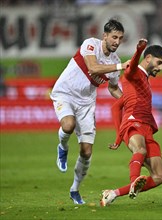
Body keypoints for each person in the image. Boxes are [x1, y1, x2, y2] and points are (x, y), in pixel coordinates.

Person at [50, 18, 130, 205]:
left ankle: (74, 189)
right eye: (114, 37)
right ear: (105, 36)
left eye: (120, 38)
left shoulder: (115, 62)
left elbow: (112, 88)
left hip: (86, 103)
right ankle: (62, 146)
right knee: (68, 125)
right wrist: (120, 66)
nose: (117, 42)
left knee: (86, 152)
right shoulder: (90, 45)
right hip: (65, 93)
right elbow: (93, 67)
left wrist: (128, 101)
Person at [100, 38, 162, 207]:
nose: (160, 68)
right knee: (140, 149)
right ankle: (134, 180)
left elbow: (115, 108)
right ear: (148, 58)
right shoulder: (134, 72)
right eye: (159, 63)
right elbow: (130, 69)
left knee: (159, 177)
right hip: (133, 122)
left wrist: (117, 137)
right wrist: (139, 50)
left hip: (147, 128)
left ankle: (113, 194)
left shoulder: (142, 81)